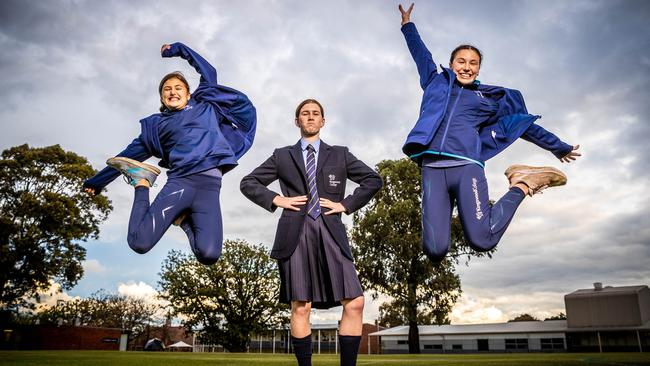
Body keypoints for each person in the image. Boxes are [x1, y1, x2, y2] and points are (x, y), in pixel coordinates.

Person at [398, 4, 581, 262]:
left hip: (467, 167)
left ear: (479, 69)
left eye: (473, 63)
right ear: (451, 64)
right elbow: (421, 55)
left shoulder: (487, 99)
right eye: (461, 61)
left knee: (482, 240)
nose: (466, 66)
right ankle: (522, 183)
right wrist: (408, 26)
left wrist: (558, 146)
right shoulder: (435, 81)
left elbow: (520, 123)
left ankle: (523, 184)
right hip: (431, 169)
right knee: (435, 249)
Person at [83, 42, 256, 265]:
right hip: (181, 183)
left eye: (178, 88)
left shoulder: (205, 104)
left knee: (209, 255)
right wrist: (96, 182)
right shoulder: (157, 126)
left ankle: (183, 220)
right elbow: (125, 158)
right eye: (167, 89)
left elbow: (209, 71)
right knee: (139, 242)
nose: (172, 91)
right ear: (162, 98)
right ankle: (142, 184)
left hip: (210, 188)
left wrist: (177, 49)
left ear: (188, 93)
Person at [240, 99, 382, 366]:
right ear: (298, 121)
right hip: (296, 233)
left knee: (355, 302)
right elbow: (248, 182)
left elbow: (373, 179)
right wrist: (275, 199)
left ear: (323, 121)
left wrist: (345, 204)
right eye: (305, 114)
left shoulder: (340, 154)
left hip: (331, 230)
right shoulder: (282, 156)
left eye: (316, 113)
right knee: (301, 305)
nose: (311, 117)